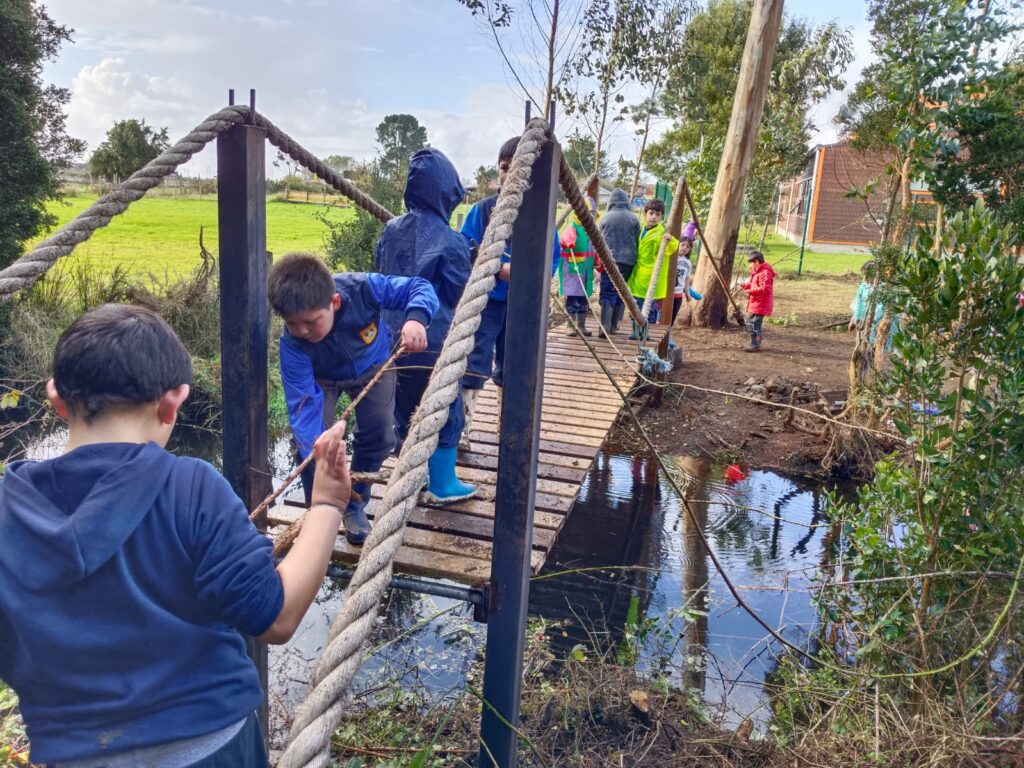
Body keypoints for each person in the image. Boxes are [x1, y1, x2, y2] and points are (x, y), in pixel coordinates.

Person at [0, 304, 351, 766]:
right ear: (173, 403)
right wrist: (326, 505)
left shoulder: (8, 510)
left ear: (56, 399)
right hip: (213, 749)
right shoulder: (191, 488)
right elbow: (276, 617)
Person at [269, 252, 438, 544]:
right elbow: (303, 405)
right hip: (322, 378)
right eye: (293, 323)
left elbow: (418, 287)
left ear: (334, 302)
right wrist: (318, 451)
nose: (302, 331)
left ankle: (355, 504)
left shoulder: (363, 289)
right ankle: (318, 508)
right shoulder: (293, 345)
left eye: (310, 322)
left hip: (374, 364)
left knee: (380, 433)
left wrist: (416, 319)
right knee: (312, 446)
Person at [375, 147, 476, 503]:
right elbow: (459, 292)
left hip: (391, 339)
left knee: (403, 408)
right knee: (444, 409)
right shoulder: (452, 241)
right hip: (435, 342)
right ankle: (442, 483)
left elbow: (381, 272)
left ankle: (411, 479)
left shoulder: (390, 230)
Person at [458, 136, 559, 449]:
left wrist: (528, 275)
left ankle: (508, 428)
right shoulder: (483, 211)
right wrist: (498, 268)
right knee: (473, 362)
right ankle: (463, 429)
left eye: (517, 167)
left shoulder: (540, 216)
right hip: (486, 302)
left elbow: (552, 258)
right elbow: (465, 249)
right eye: (504, 168)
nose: (510, 174)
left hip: (522, 304)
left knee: (514, 364)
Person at [627, 198, 678, 340]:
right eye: (651, 213)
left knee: (650, 308)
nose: (654, 217)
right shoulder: (642, 229)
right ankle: (635, 331)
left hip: (652, 278)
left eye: (658, 214)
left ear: (662, 217)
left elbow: (672, 246)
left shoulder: (661, 233)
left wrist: (669, 240)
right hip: (639, 276)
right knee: (634, 306)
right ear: (645, 214)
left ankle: (645, 332)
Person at [597, 188, 641, 336]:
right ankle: (614, 325)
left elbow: (598, 240)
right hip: (628, 261)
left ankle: (604, 325)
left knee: (607, 291)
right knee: (621, 291)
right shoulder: (633, 218)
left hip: (609, 260)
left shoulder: (605, 218)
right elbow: (637, 239)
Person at [559, 195, 598, 337]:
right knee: (572, 298)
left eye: (592, 213)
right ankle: (570, 325)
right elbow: (564, 238)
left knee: (583, 299)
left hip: (586, 270)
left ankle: (581, 325)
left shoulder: (592, 230)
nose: (590, 216)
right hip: (573, 269)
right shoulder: (572, 227)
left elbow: (595, 247)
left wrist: (597, 261)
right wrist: (569, 242)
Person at [739, 249, 776, 352]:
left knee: (753, 323)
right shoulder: (757, 272)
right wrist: (744, 285)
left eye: (751, 263)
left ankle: (755, 344)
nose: (750, 265)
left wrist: (750, 291)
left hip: (761, 304)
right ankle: (755, 342)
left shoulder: (765, 273)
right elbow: (753, 284)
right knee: (752, 323)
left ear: (756, 262)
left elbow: (765, 289)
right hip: (756, 302)